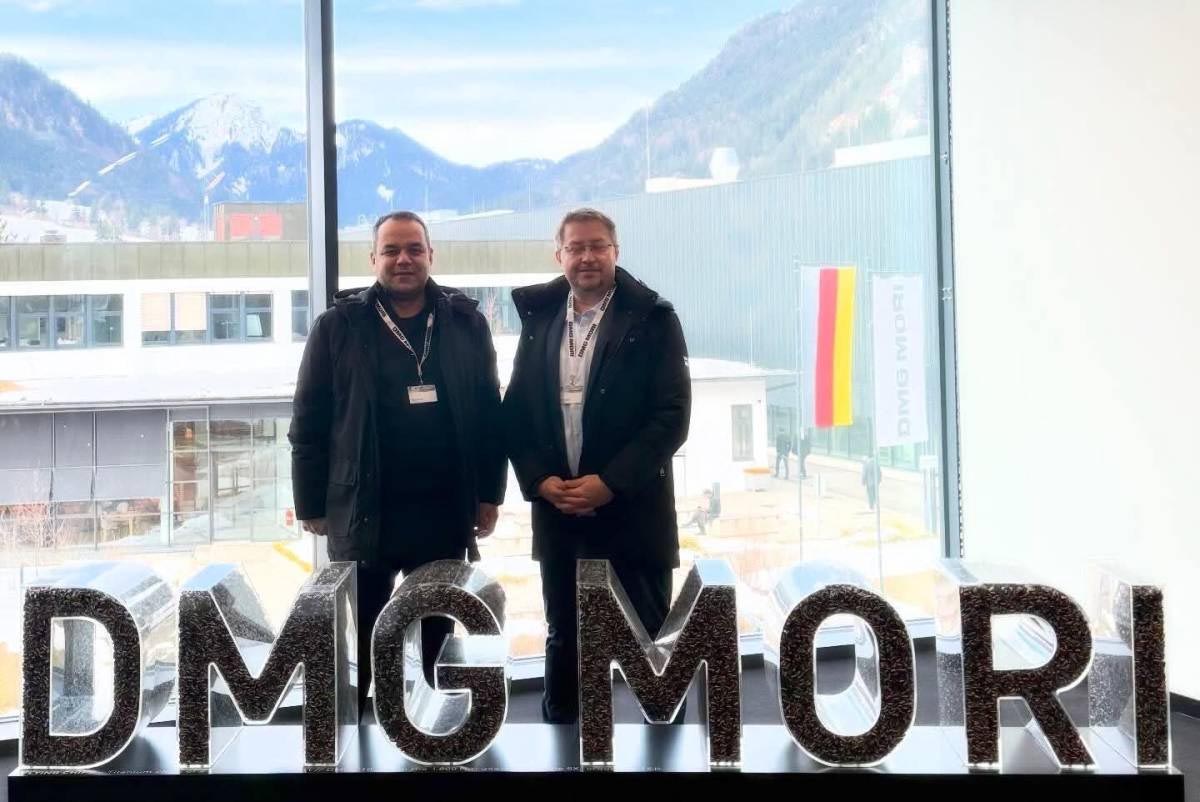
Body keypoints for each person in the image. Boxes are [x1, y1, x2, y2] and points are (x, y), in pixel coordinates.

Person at [288, 211, 506, 716]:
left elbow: (489, 416)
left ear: (431, 255)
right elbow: (308, 420)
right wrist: (311, 503)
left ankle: (427, 736)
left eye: (413, 249)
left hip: (442, 510)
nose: (403, 259)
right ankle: (366, 738)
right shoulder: (338, 326)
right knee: (367, 641)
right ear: (374, 259)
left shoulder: (465, 323)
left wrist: (490, 494)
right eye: (391, 250)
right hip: (364, 509)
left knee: (435, 638)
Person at [503, 207, 691, 724]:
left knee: (651, 644)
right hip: (558, 511)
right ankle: (561, 748)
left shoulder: (653, 319)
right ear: (559, 255)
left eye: (597, 246)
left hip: (633, 511)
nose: (587, 256)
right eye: (576, 247)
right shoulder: (541, 320)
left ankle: (664, 754)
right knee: (564, 638)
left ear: (615, 251)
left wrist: (609, 484)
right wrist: (541, 481)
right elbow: (516, 413)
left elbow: (671, 417)